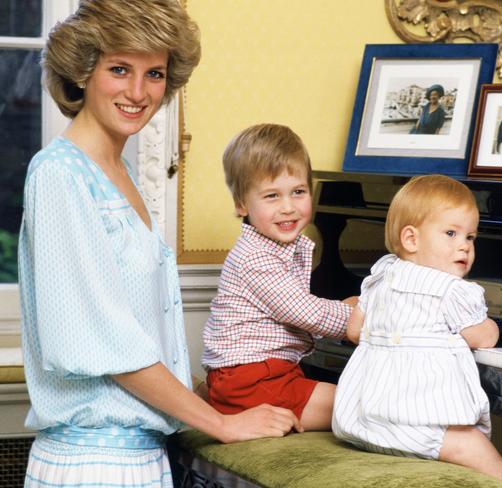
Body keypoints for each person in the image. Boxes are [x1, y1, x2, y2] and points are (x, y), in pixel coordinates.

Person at [19, 2, 300, 486]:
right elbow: (103, 343)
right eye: (119, 69)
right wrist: (221, 423)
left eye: (154, 73)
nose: (137, 92)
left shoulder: (120, 173)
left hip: (141, 458)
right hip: (93, 465)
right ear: (83, 71)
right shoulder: (59, 175)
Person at [332, 175, 502, 484]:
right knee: (501, 474)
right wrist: (493, 324)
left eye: (470, 237)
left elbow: (353, 331)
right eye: (451, 233)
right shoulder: (453, 291)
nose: (464, 246)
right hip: (424, 427)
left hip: (362, 420)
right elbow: (483, 337)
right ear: (411, 239)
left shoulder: (381, 276)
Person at [202, 123, 357, 431]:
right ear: (241, 204)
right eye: (272, 196)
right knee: (360, 405)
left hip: (268, 373)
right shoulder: (255, 257)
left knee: (358, 400)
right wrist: (353, 318)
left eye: (298, 192)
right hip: (251, 380)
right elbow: (303, 311)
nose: (288, 207)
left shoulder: (280, 247)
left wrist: (343, 310)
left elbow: (301, 309)